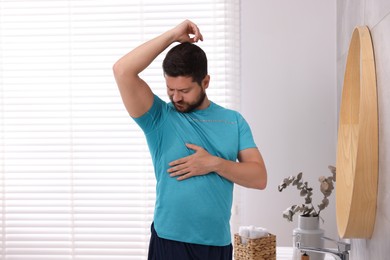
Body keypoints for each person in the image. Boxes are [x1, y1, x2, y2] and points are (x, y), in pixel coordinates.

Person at [113, 20, 267, 260]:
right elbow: (122, 70)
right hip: (169, 242)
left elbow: (259, 178)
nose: (176, 97)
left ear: (205, 82)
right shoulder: (159, 118)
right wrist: (173, 35)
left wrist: (213, 163)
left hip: (216, 244)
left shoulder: (233, 121)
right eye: (170, 89)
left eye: (184, 91)